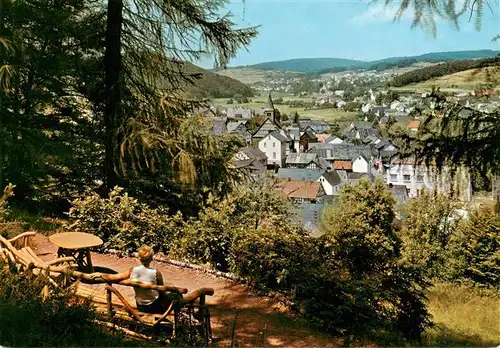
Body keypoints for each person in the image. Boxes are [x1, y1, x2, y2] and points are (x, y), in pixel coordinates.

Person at [90, 245, 182, 314]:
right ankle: (180, 313)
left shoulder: (133, 270)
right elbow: (162, 294)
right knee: (176, 295)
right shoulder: (156, 273)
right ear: (151, 259)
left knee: (172, 291)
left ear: (139, 258)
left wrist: (100, 274)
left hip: (140, 305)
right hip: (154, 307)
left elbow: (114, 277)